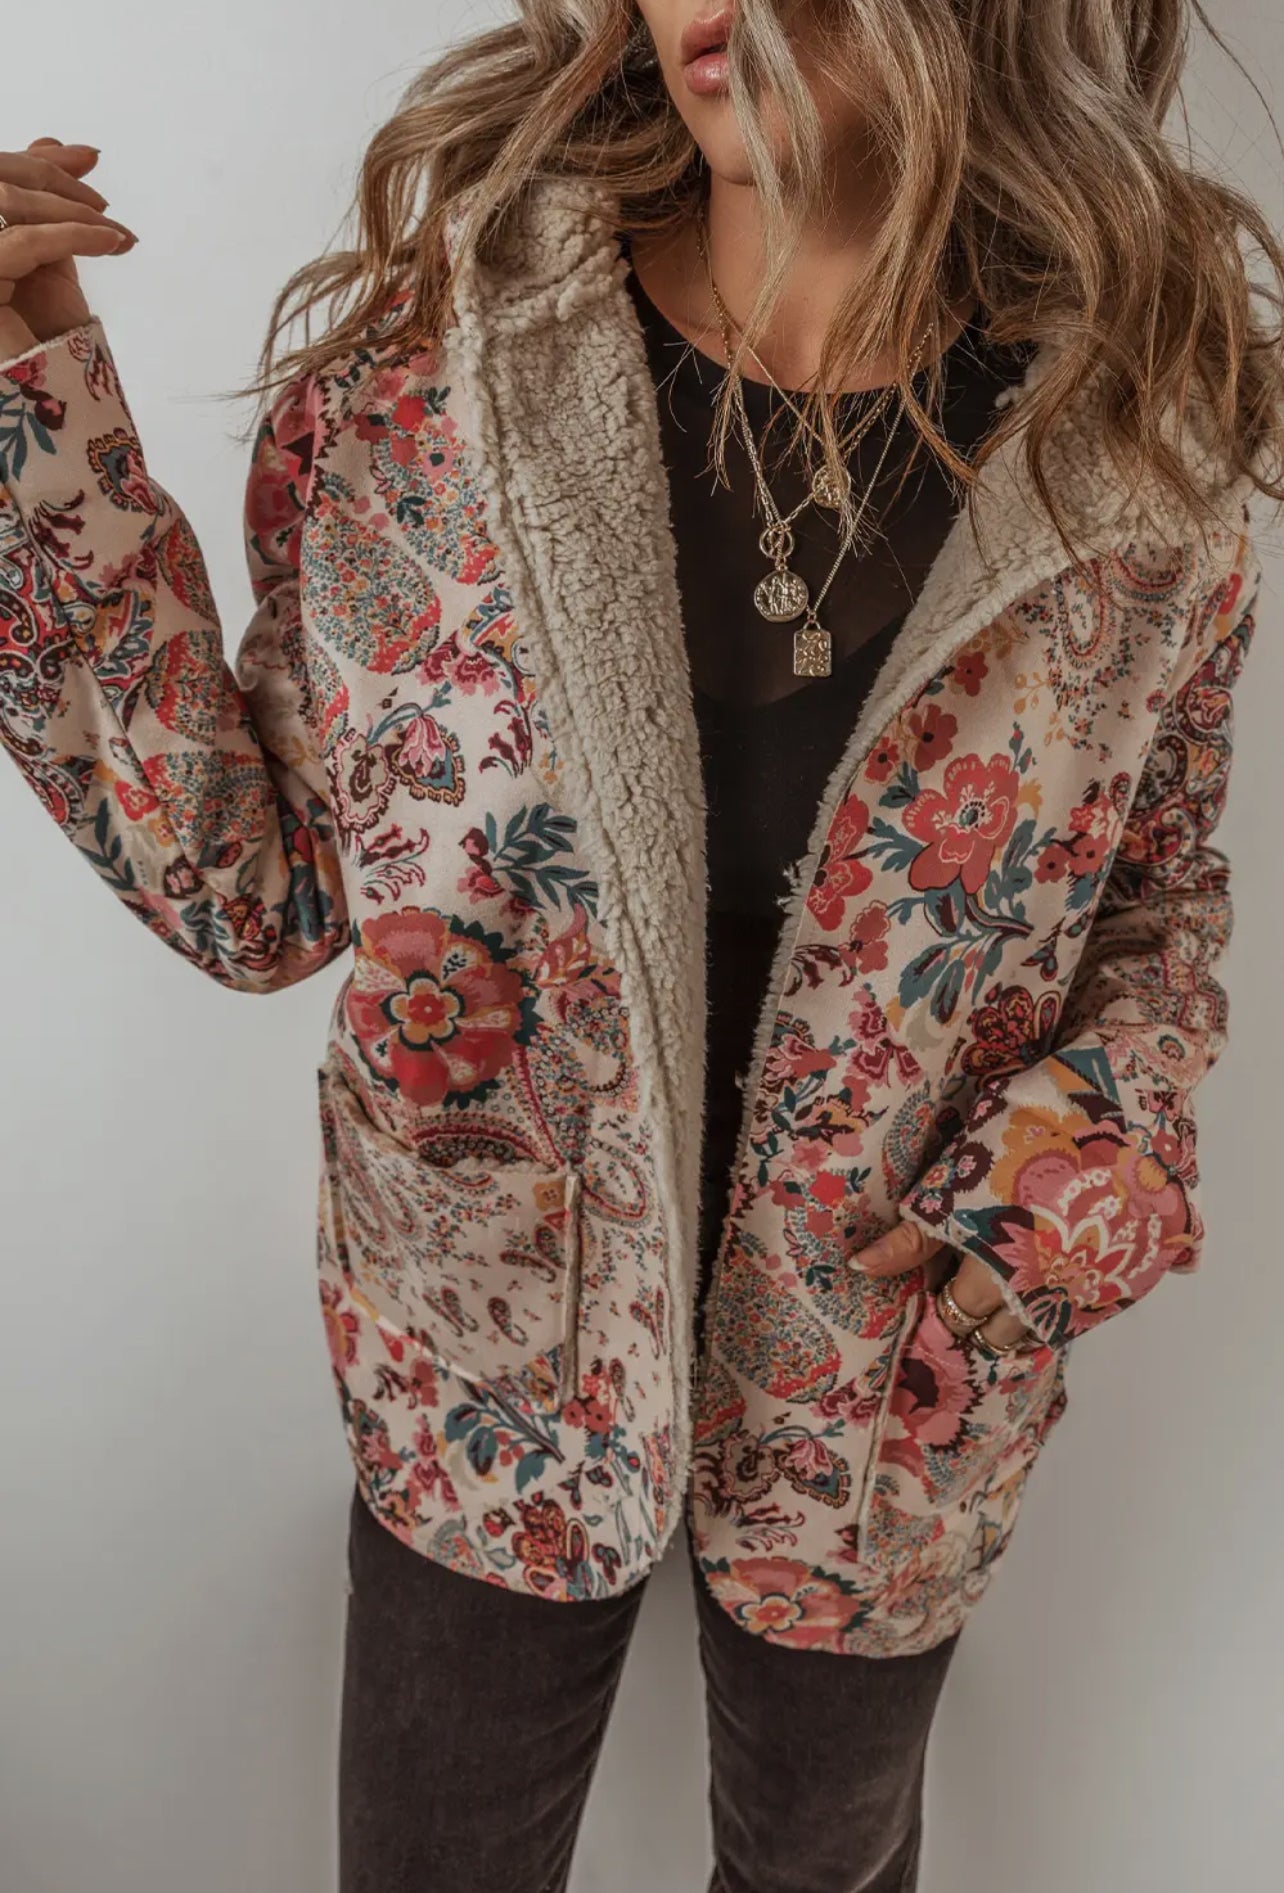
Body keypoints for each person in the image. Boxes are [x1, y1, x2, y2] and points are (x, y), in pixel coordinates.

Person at [0, 3, 1280, 1889]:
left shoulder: (1130, 442)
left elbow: (1157, 890)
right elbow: (251, 884)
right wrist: (27, 400)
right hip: (482, 1342)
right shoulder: (437, 381)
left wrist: (1072, 1172)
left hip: (888, 1382)